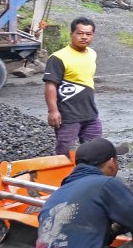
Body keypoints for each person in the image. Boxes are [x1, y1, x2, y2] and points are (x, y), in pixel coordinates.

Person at [43, 17, 102, 156]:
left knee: (97, 151)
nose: (84, 37)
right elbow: (50, 85)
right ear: (71, 34)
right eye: (80, 33)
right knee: (65, 152)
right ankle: (63, 177)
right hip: (68, 116)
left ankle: (91, 176)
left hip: (90, 114)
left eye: (88, 34)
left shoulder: (92, 54)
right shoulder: (58, 57)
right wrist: (53, 111)